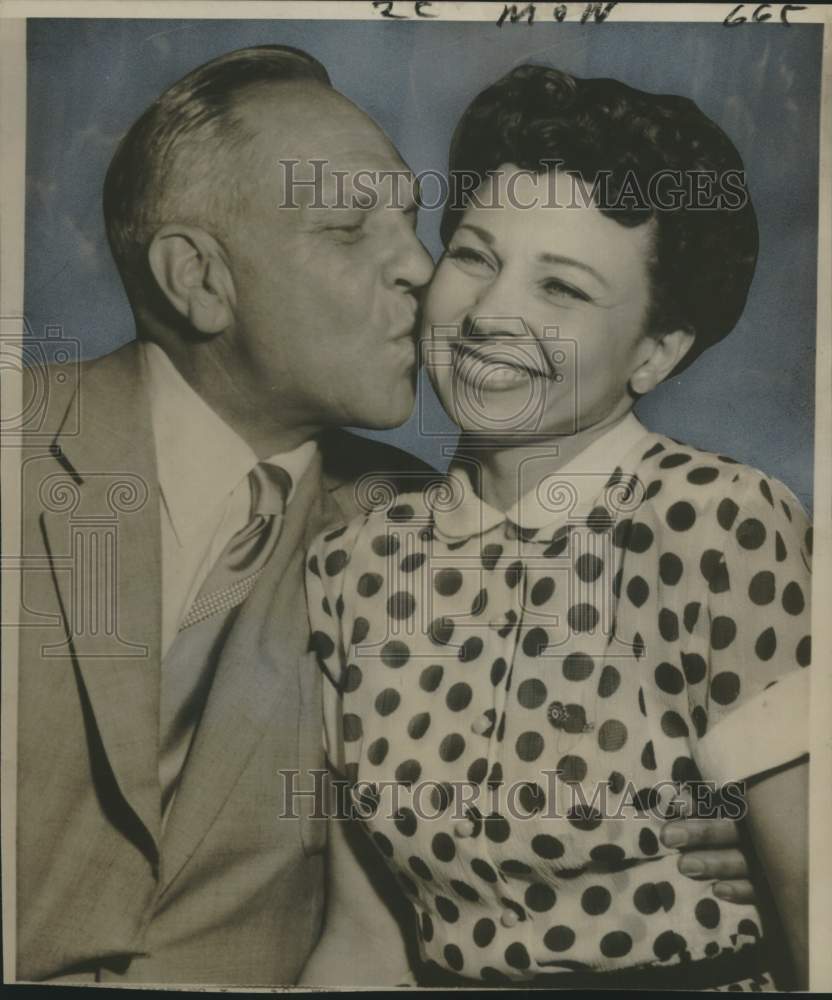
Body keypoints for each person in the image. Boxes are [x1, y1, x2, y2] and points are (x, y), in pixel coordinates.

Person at [16, 46, 758, 986]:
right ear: (198, 279)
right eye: (348, 229)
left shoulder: (420, 532)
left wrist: (765, 833)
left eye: (414, 222)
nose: (420, 265)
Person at [302, 65, 811, 989]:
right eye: (475, 256)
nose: (493, 315)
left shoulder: (720, 525)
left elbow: (821, 903)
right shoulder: (355, 564)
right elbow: (363, 943)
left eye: (563, 291)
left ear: (656, 352)